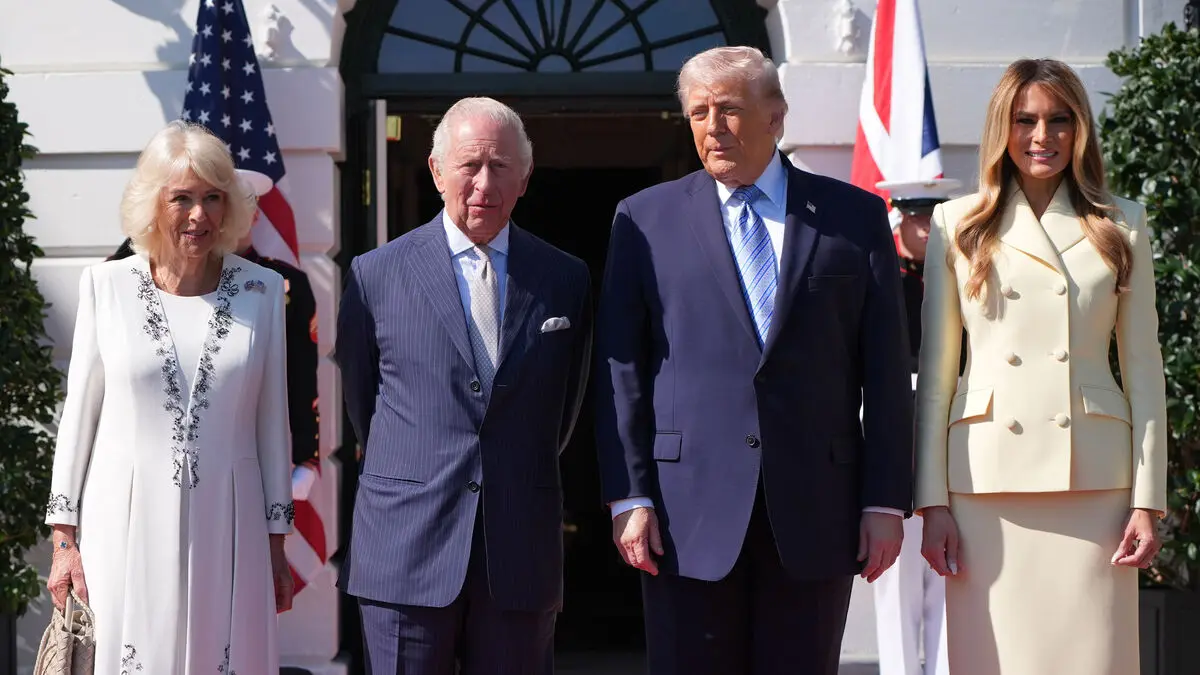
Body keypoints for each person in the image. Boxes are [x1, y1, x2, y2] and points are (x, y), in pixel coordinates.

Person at [594, 46, 914, 675]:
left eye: (731, 109)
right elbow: (621, 371)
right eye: (699, 112)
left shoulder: (853, 217)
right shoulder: (643, 220)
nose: (713, 125)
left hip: (817, 508)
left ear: (776, 118)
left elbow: (883, 368)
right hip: (685, 514)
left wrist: (884, 501)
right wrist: (628, 496)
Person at [915, 58, 1167, 675]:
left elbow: (1143, 369)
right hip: (984, 483)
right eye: (1025, 119)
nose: (1042, 136)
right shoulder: (957, 223)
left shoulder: (1121, 222)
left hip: (1095, 483)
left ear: (1080, 129)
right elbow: (936, 378)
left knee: (1094, 659)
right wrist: (931, 502)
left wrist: (1149, 500)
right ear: (1002, 127)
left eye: (1059, 120)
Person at [336, 96, 592, 675]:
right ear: (436, 170)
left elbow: (567, 408)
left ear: (524, 179)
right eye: (469, 165)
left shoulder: (564, 278)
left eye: (500, 167)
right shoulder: (375, 275)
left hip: (519, 551)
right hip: (406, 547)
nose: (483, 183)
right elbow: (363, 404)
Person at [44, 120, 295, 675]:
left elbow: (272, 422)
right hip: (121, 520)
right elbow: (78, 420)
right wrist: (64, 541)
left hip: (230, 522)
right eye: (181, 198)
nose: (198, 216)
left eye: (212, 198)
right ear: (152, 204)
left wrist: (277, 541)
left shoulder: (262, 291)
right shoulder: (104, 287)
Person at [107, 170, 322, 476]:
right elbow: (113, 283)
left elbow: (300, 374)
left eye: (241, 206)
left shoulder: (282, 284)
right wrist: (155, 227)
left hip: (247, 448)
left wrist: (305, 458)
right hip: (159, 444)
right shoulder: (169, 275)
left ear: (256, 215)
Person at [870, 179, 961, 675]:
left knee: (951, 576)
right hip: (897, 439)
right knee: (899, 579)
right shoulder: (883, 281)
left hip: (953, 441)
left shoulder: (963, 280)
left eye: (933, 220)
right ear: (898, 221)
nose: (926, 230)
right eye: (916, 220)